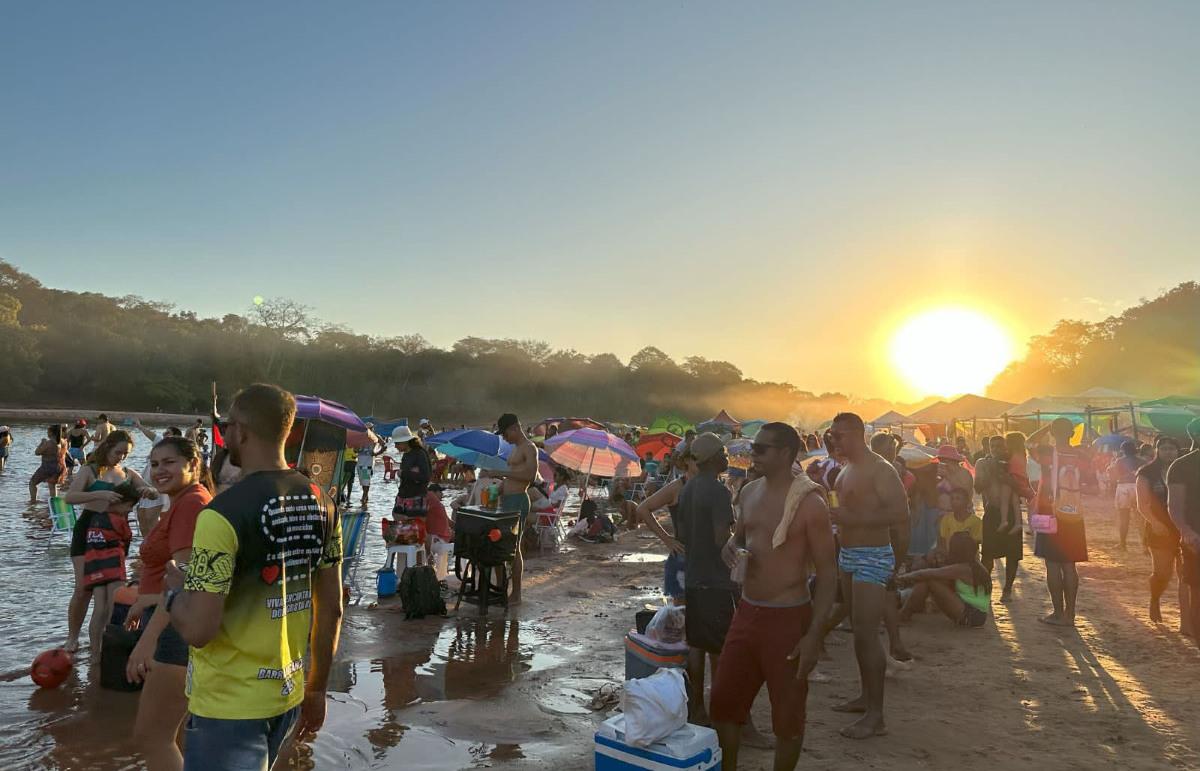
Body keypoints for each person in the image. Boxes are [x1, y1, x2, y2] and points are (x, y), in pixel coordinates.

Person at [164, 383, 343, 770]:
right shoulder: (323, 502)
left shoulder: (221, 514)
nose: (225, 433)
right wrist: (317, 688)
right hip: (289, 692)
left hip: (229, 703)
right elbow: (332, 607)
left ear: (241, 431)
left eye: (228, 425)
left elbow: (198, 629)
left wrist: (174, 593)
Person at [711, 423, 837, 770]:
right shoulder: (749, 492)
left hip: (788, 617)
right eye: (753, 447)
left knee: (788, 716)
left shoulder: (810, 504)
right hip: (748, 611)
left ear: (785, 453)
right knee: (723, 704)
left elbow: (827, 574)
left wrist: (814, 635)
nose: (752, 455)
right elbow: (740, 539)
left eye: (760, 449)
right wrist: (729, 548)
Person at [124, 437, 214, 771]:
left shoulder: (191, 503)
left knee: (151, 737)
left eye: (170, 462)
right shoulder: (182, 501)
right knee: (172, 736)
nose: (160, 470)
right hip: (168, 621)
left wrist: (147, 642)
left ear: (193, 464)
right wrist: (144, 599)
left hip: (173, 633)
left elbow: (186, 583)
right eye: (155, 463)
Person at [827, 412, 908, 739]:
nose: (834, 441)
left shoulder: (881, 469)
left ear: (858, 434)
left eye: (840, 435)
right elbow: (838, 514)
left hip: (873, 555)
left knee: (866, 634)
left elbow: (900, 514)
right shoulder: (844, 470)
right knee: (858, 634)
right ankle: (865, 698)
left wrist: (896, 564)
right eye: (832, 436)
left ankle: (876, 716)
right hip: (848, 554)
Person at [62, 429, 155, 653]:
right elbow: (70, 497)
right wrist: (99, 494)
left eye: (126, 453)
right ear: (107, 447)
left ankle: (102, 641)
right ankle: (72, 637)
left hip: (116, 533)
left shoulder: (128, 473)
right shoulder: (90, 470)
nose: (121, 457)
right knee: (84, 587)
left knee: (110, 593)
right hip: (89, 530)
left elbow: (148, 487)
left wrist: (148, 491)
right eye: (118, 452)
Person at [675, 433, 737, 725]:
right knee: (723, 650)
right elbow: (721, 539)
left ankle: (698, 708)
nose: (727, 457)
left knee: (697, 644)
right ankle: (724, 712)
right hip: (716, 580)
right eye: (723, 453)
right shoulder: (718, 491)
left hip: (694, 576)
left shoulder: (688, 489)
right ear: (712, 458)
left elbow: (683, 535)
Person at [1034, 418, 1089, 627]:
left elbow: (1029, 442)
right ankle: (1070, 614)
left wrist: (1045, 430)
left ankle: (1057, 613)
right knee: (1069, 564)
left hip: (1047, 511)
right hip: (1074, 511)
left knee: (1052, 563)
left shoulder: (1047, 453)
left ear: (1052, 431)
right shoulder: (1080, 454)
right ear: (1072, 432)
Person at [635, 450, 699, 604]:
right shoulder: (677, 487)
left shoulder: (714, 486)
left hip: (708, 559)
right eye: (697, 458)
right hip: (683, 556)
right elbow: (643, 508)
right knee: (681, 615)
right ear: (687, 461)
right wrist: (667, 539)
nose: (702, 463)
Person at [975, 433, 1032, 602]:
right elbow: (977, 488)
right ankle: (985, 589)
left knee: (1012, 555)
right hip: (992, 511)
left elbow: (1022, 488)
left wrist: (1005, 475)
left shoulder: (1013, 463)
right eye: (993, 447)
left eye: (1000, 446)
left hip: (1011, 514)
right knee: (987, 555)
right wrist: (991, 471)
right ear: (987, 448)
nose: (996, 450)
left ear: (1007, 447)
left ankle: (1007, 590)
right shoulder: (982, 463)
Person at [1136, 435, 1185, 628]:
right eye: (1164, 448)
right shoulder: (1147, 473)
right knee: (1163, 573)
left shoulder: (1184, 471)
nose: (1168, 452)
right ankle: (1155, 599)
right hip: (1159, 529)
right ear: (1157, 451)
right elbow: (1142, 505)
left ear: (1177, 450)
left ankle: (1187, 618)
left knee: (1185, 575)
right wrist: (1155, 523)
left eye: (1171, 448)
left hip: (1183, 528)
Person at [897, 533, 992, 628]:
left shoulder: (964, 568)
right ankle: (905, 611)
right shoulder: (975, 564)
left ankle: (904, 614)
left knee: (929, 580)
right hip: (975, 615)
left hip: (972, 616)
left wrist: (902, 577)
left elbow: (927, 573)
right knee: (931, 580)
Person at [496, 414, 537, 605]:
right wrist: (498, 488)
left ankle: (517, 594)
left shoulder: (529, 448)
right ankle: (501, 589)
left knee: (514, 547)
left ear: (514, 428)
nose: (504, 439)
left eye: (505, 434)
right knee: (501, 545)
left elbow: (530, 475)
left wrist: (500, 472)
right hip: (507, 499)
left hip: (519, 500)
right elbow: (512, 477)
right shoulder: (516, 449)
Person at [1167, 419, 1200, 647]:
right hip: (1196, 539)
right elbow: (1174, 506)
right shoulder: (1181, 466)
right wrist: (1187, 531)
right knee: (1197, 595)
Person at [1108, 440, 1143, 551]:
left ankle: (1123, 544)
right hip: (1138, 487)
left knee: (1124, 517)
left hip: (1123, 487)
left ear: (1123, 450)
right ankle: (1145, 546)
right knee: (1142, 518)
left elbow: (1115, 476)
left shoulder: (1119, 461)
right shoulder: (1142, 461)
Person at [29, 424, 68, 503]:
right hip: (59, 467)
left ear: (51, 433)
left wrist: (42, 443)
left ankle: (33, 502)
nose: (47, 433)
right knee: (52, 486)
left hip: (47, 467)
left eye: (48, 431)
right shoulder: (63, 442)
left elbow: (37, 452)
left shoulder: (48, 443)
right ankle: (54, 503)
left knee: (32, 483)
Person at [935, 445, 973, 512]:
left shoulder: (964, 473)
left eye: (944, 460)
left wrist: (948, 477)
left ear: (953, 460)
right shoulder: (942, 472)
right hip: (943, 513)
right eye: (940, 460)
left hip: (961, 513)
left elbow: (965, 491)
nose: (941, 462)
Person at [356, 434, 386, 507]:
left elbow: (383, 444)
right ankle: (365, 497)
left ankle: (364, 497)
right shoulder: (361, 437)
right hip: (360, 462)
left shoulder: (374, 437)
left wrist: (377, 452)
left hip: (367, 463)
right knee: (363, 481)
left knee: (366, 480)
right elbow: (355, 450)